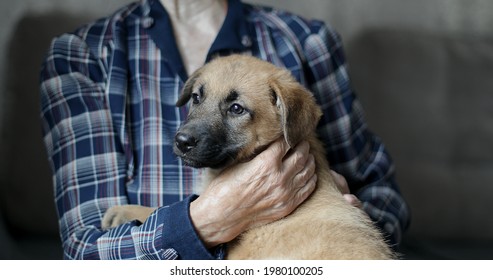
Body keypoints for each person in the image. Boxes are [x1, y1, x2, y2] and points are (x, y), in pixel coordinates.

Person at [40, 0, 410, 260]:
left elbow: (381, 191)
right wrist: (211, 219)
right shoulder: (82, 56)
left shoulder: (307, 41)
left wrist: (352, 218)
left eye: (235, 109)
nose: (186, 132)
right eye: (196, 99)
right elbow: (85, 251)